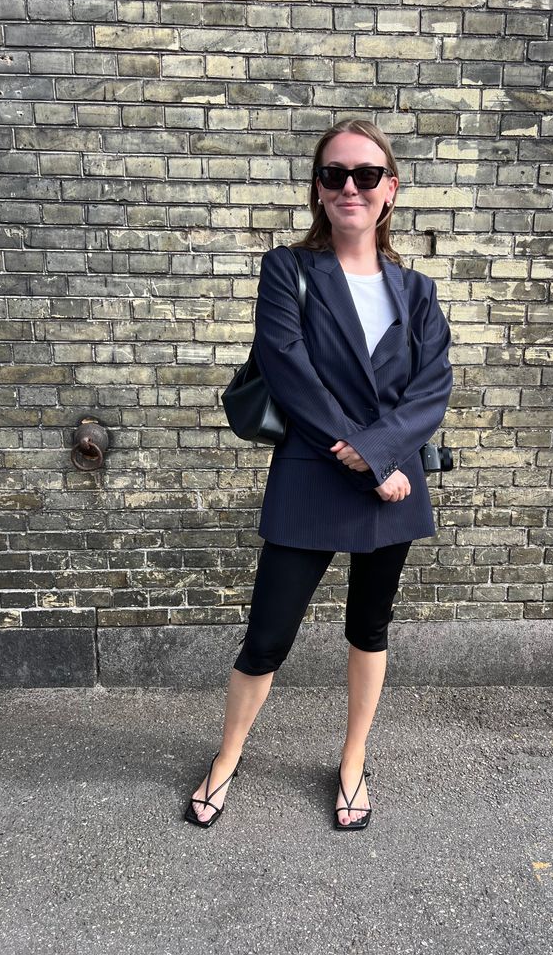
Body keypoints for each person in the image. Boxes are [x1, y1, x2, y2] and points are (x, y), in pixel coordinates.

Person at [185, 120, 453, 831]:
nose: (349, 187)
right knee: (268, 635)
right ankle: (227, 756)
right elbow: (290, 373)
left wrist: (381, 455)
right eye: (335, 174)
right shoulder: (288, 270)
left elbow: (432, 389)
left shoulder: (417, 290)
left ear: (390, 189)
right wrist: (367, 459)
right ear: (317, 188)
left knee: (369, 627)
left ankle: (353, 760)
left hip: (391, 483)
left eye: (366, 175)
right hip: (315, 473)